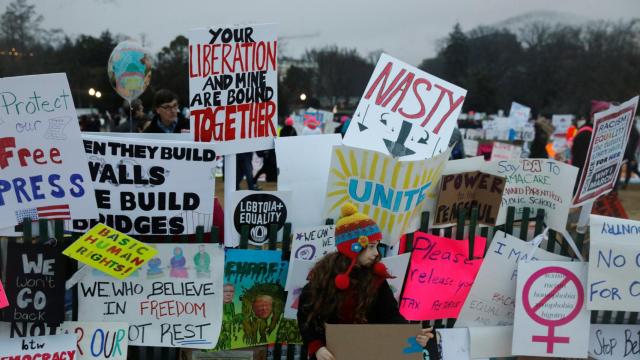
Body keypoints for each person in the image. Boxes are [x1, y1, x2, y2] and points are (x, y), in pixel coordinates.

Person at [297, 203, 435, 360]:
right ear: (352, 247)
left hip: (368, 353)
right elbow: (306, 317)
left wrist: (411, 334)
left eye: (376, 246)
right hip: (332, 355)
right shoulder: (322, 280)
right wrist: (317, 347)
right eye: (370, 247)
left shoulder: (376, 280)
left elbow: (390, 316)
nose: (375, 253)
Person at [572, 101, 610, 192]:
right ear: (594, 115)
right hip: (582, 174)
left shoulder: (595, 130)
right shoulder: (585, 132)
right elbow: (578, 156)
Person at [623, 121, 640, 188]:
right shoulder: (634, 131)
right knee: (633, 168)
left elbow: (634, 145)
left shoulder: (634, 132)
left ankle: (626, 183)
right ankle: (625, 183)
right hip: (630, 153)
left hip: (631, 153)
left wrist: (632, 155)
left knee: (631, 167)